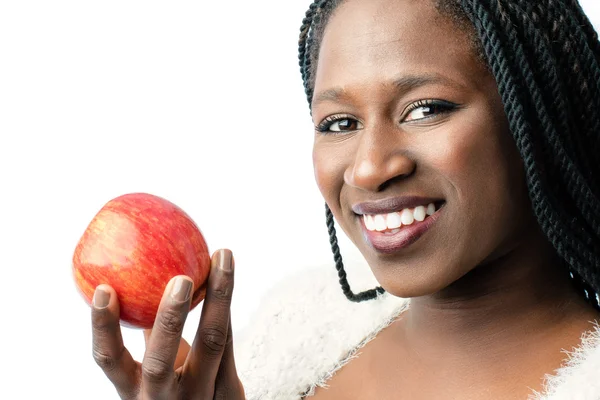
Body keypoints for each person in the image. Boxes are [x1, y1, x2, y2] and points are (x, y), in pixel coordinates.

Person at [88, 0, 600, 398]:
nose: (369, 167)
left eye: (424, 110)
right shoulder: (288, 337)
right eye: (340, 123)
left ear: (537, 115)